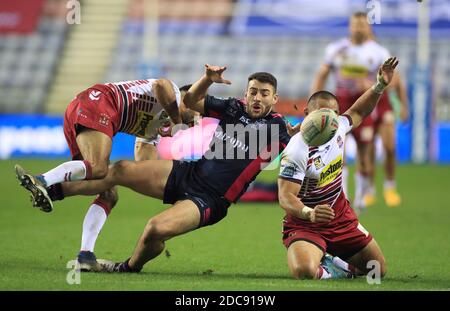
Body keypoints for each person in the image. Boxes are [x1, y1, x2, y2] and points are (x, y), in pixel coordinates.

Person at [21, 65, 292, 273]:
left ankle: (127, 267)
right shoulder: (233, 107)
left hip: (211, 199)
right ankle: (52, 189)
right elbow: (192, 102)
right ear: (246, 93)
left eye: (264, 94)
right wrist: (208, 79)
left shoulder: (279, 129)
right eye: (253, 91)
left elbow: (305, 141)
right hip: (190, 173)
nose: (257, 98)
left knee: (154, 230)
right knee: (120, 169)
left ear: (274, 98)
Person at [14, 79, 193, 270]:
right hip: (99, 103)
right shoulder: (172, 91)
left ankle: (85, 255)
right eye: (197, 111)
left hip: (83, 108)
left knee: (108, 192)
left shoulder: (154, 131)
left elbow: (144, 169)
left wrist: (172, 189)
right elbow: (160, 85)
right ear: (187, 98)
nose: (195, 121)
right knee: (98, 168)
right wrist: (178, 121)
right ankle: (42, 180)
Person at [278, 57, 398, 280]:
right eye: (320, 113)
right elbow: (286, 197)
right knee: (304, 271)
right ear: (306, 114)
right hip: (306, 223)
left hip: (340, 218)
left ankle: (332, 264)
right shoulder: (296, 150)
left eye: (332, 114)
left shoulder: (339, 128)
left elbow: (359, 111)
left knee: (376, 270)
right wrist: (309, 213)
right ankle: (321, 261)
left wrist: (379, 85)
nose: (327, 120)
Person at [310, 12, 408, 211]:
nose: (359, 28)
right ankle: (343, 199)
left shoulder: (378, 52)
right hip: (341, 103)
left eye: (362, 24)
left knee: (365, 153)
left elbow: (392, 79)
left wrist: (373, 84)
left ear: (368, 27)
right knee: (339, 154)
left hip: (365, 106)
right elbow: (322, 74)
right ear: (350, 26)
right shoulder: (336, 49)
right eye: (355, 24)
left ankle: (363, 197)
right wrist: (314, 103)